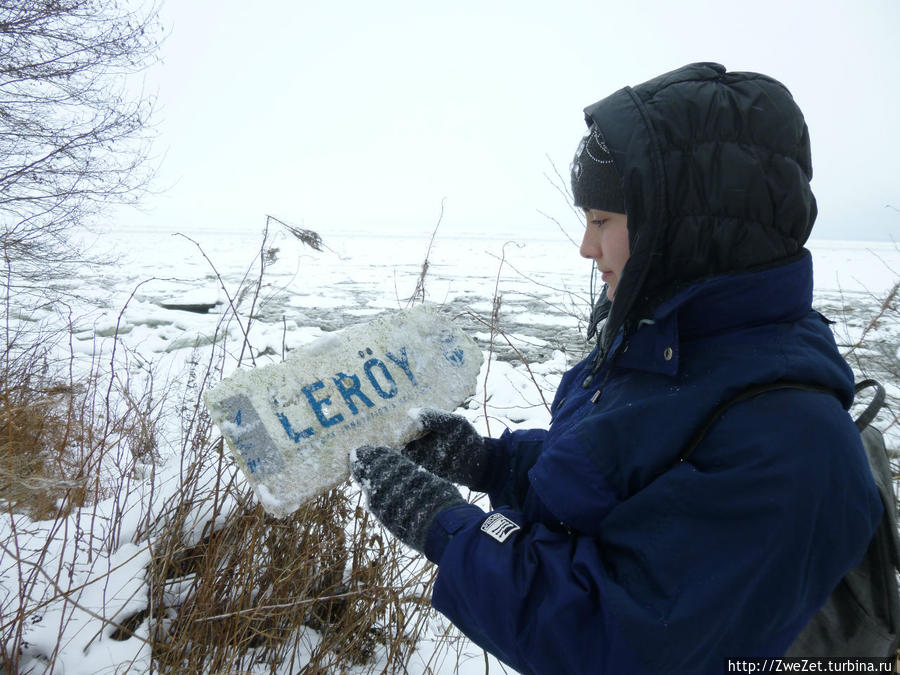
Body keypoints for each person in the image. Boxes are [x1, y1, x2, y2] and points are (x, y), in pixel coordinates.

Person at [349, 62, 883, 674]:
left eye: (602, 220)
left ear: (677, 229)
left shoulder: (790, 441)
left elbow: (617, 639)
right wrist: (490, 463)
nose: (585, 245)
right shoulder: (668, 352)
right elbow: (613, 483)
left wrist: (449, 529)